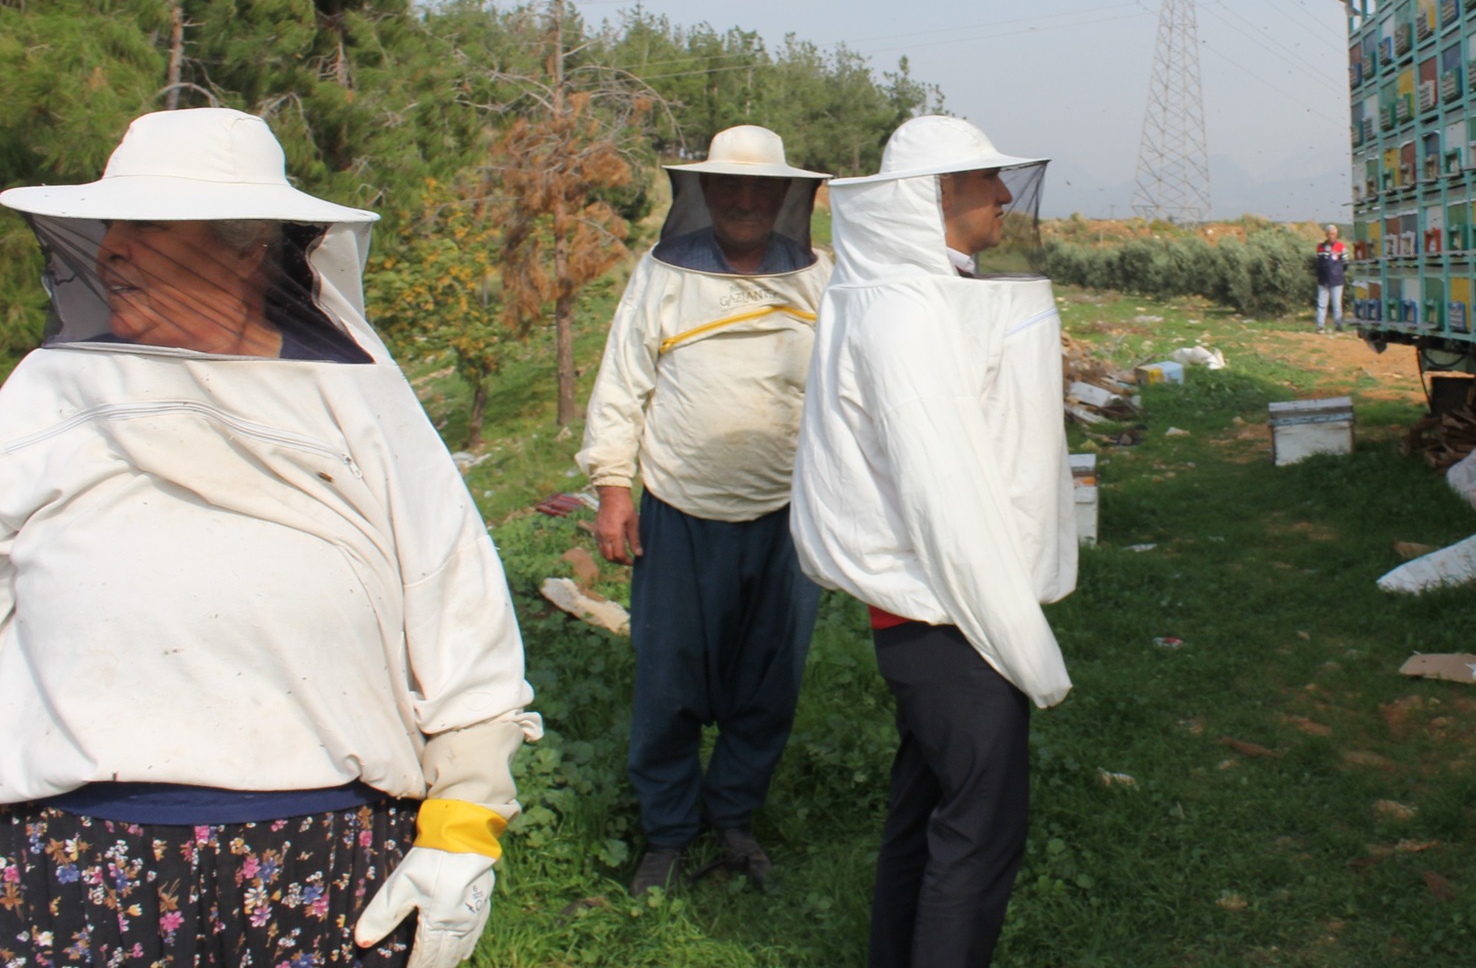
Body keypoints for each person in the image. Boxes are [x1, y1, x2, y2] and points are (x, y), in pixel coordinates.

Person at [0, 108, 541, 968]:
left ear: (248, 244)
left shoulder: (362, 405)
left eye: (146, 225)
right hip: (78, 866)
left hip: (324, 870)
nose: (112, 251)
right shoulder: (43, 397)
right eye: (110, 226)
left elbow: (462, 623)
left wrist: (464, 829)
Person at [791, 114, 1077, 968]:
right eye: (981, 180)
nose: (1000, 194)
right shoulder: (904, 315)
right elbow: (948, 501)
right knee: (978, 836)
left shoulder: (908, 299)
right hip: (954, 619)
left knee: (924, 819)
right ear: (934, 197)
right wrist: (1024, 642)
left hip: (931, 617)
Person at [577, 125, 833, 895]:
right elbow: (622, 385)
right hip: (679, 510)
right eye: (731, 188)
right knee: (668, 681)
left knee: (768, 682)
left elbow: (850, 391)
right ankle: (666, 833)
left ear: (789, 198)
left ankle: (732, 821)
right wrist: (614, 489)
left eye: (763, 189)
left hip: (789, 515)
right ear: (705, 195)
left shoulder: (824, 281)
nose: (747, 201)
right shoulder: (661, 277)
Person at [1314, 223, 1350, 332]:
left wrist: (1338, 272)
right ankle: (1320, 326)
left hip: (1336, 280)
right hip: (1323, 280)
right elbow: (1318, 262)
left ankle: (1338, 326)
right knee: (1321, 304)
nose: (1331, 236)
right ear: (1326, 234)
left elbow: (1345, 264)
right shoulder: (1320, 247)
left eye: (1333, 234)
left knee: (1337, 305)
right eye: (1329, 234)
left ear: (1336, 234)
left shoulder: (1341, 247)